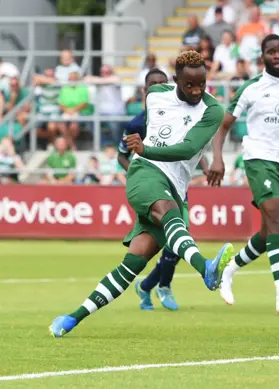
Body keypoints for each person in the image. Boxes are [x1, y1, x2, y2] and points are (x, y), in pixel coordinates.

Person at [49, 51, 234, 338]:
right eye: (190, 85)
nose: (197, 91)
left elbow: (187, 149)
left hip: (175, 184)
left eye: (202, 84)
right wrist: (143, 152)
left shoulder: (212, 110)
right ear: (176, 80)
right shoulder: (156, 94)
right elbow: (150, 134)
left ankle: (72, 318)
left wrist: (147, 147)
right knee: (170, 214)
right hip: (145, 173)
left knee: (133, 263)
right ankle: (205, 268)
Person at [208, 34, 279, 315]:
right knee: (277, 219)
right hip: (257, 159)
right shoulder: (251, 88)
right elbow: (222, 127)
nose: (278, 55)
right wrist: (218, 159)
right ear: (263, 57)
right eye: (272, 52)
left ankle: (229, 272)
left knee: (268, 230)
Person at [117, 68, 202, 312]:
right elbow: (123, 156)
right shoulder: (136, 123)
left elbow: (192, 146)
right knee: (171, 241)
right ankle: (161, 285)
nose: (160, 87)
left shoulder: (180, 114)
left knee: (178, 243)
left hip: (179, 187)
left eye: (164, 83)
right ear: (145, 91)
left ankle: (149, 285)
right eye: (154, 84)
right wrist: (139, 176)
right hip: (154, 188)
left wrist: (206, 166)